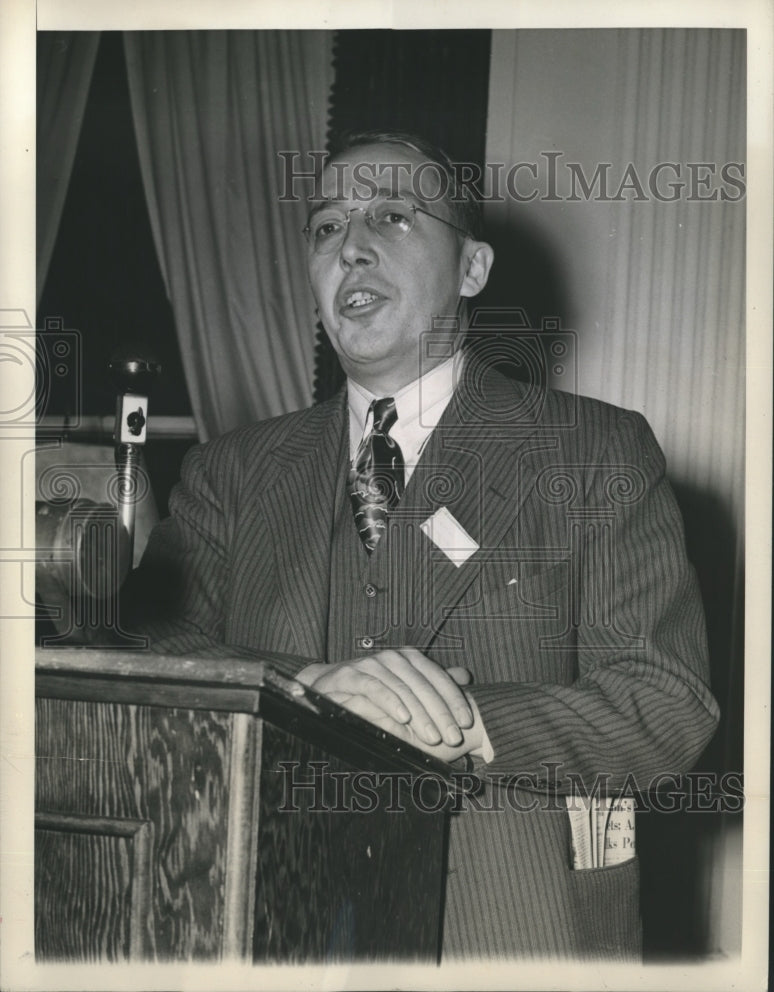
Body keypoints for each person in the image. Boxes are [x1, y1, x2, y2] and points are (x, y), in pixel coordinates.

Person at [133, 130, 719, 959]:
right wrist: (304, 689)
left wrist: (464, 721)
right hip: (265, 925)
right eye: (326, 226)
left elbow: (666, 703)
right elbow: (145, 649)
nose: (350, 247)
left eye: (393, 216)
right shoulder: (231, 470)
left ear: (472, 269)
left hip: (511, 937)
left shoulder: (596, 452)